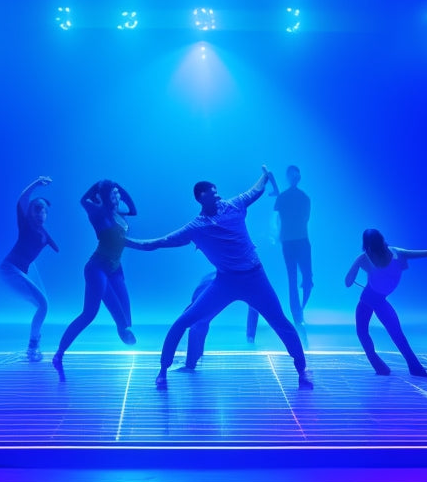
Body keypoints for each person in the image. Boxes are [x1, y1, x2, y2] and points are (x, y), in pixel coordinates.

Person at [125, 166, 312, 390]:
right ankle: (163, 370)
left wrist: (264, 174)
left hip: (255, 279)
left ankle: (302, 369)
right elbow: (158, 243)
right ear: (200, 198)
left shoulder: (234, 205)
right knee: (183, 321)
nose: (216, 193)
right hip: (226, 282)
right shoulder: (196, 227)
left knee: (281, 322)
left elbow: (256, 190)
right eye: (210, 191)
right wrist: (127, 242)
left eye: (216, 190)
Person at [345, 229, 427, 377]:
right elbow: (348, 282)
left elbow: (348, 282)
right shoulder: (371, 257)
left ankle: (406, 368)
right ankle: (389, 367)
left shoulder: (393, 254)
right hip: (368, 298)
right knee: (371, 332)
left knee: (390, 334)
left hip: (376, 299)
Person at [52, 180, 137, 381]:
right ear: (105, 197)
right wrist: (99, 186)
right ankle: (59, 352)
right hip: (97, 268)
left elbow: (133, 209)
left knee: (127, 319)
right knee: (89, 314)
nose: (118, 197)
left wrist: (119, 188)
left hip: (116, 268)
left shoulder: (120, 214)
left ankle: (122, 329)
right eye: (113, 194)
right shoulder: (97, 213)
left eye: (118, 194)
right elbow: (83, 200)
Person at [0, 177, 59, 361]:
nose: (41, 212)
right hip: (9, 269)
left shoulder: (43, 232)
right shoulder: (27, 225)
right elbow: (22, 200)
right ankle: (33, 347)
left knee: (42, 306)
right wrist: (36, 183)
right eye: (37, 209)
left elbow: (54, 246)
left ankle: (34, 344)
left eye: (44, 210)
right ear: (30, 213)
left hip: (19, 271)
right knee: (43, 305)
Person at [274, 165, 313, 335]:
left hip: (300, 240)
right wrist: (277, 236)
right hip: (289, 241)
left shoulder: (304, 197)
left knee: (306, 278)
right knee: (294, 278)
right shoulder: (284, 197)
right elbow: (276, 218)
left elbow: (305, 218)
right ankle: (298, 316)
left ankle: (300, 312)